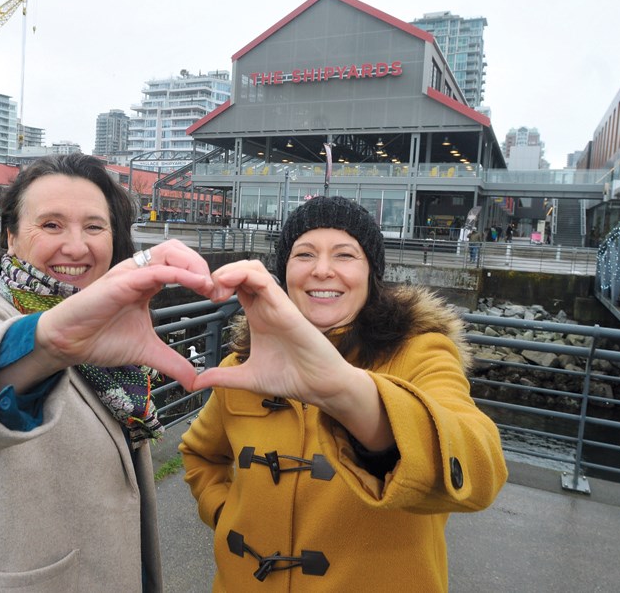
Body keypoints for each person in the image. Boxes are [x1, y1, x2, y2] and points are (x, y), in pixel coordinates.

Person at [0, 153, 216, 591]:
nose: (75, 245)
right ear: (11, 237)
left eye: (94, 226)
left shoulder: (114, 329)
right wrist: (45, 343)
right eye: (51, 225)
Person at [179, 196, 507, 591]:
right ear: (284, 272)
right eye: (304, 254)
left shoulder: (421, 353)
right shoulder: (247, 366)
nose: (322, 270)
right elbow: (200, 453)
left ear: (372, 273)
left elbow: (482, 470)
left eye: (345, 255)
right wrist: (225, 511)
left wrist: (353, 396)